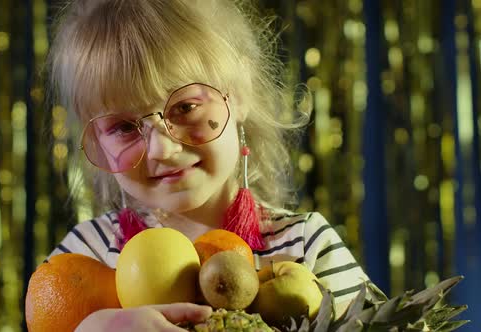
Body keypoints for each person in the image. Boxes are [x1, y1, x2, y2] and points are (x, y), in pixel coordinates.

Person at [43, 0, 374, 330]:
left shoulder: (305, 247)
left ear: (239, 93)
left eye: (186, 107)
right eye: (125, 127)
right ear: (98, 141)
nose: (163, 149)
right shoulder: (86, 256)